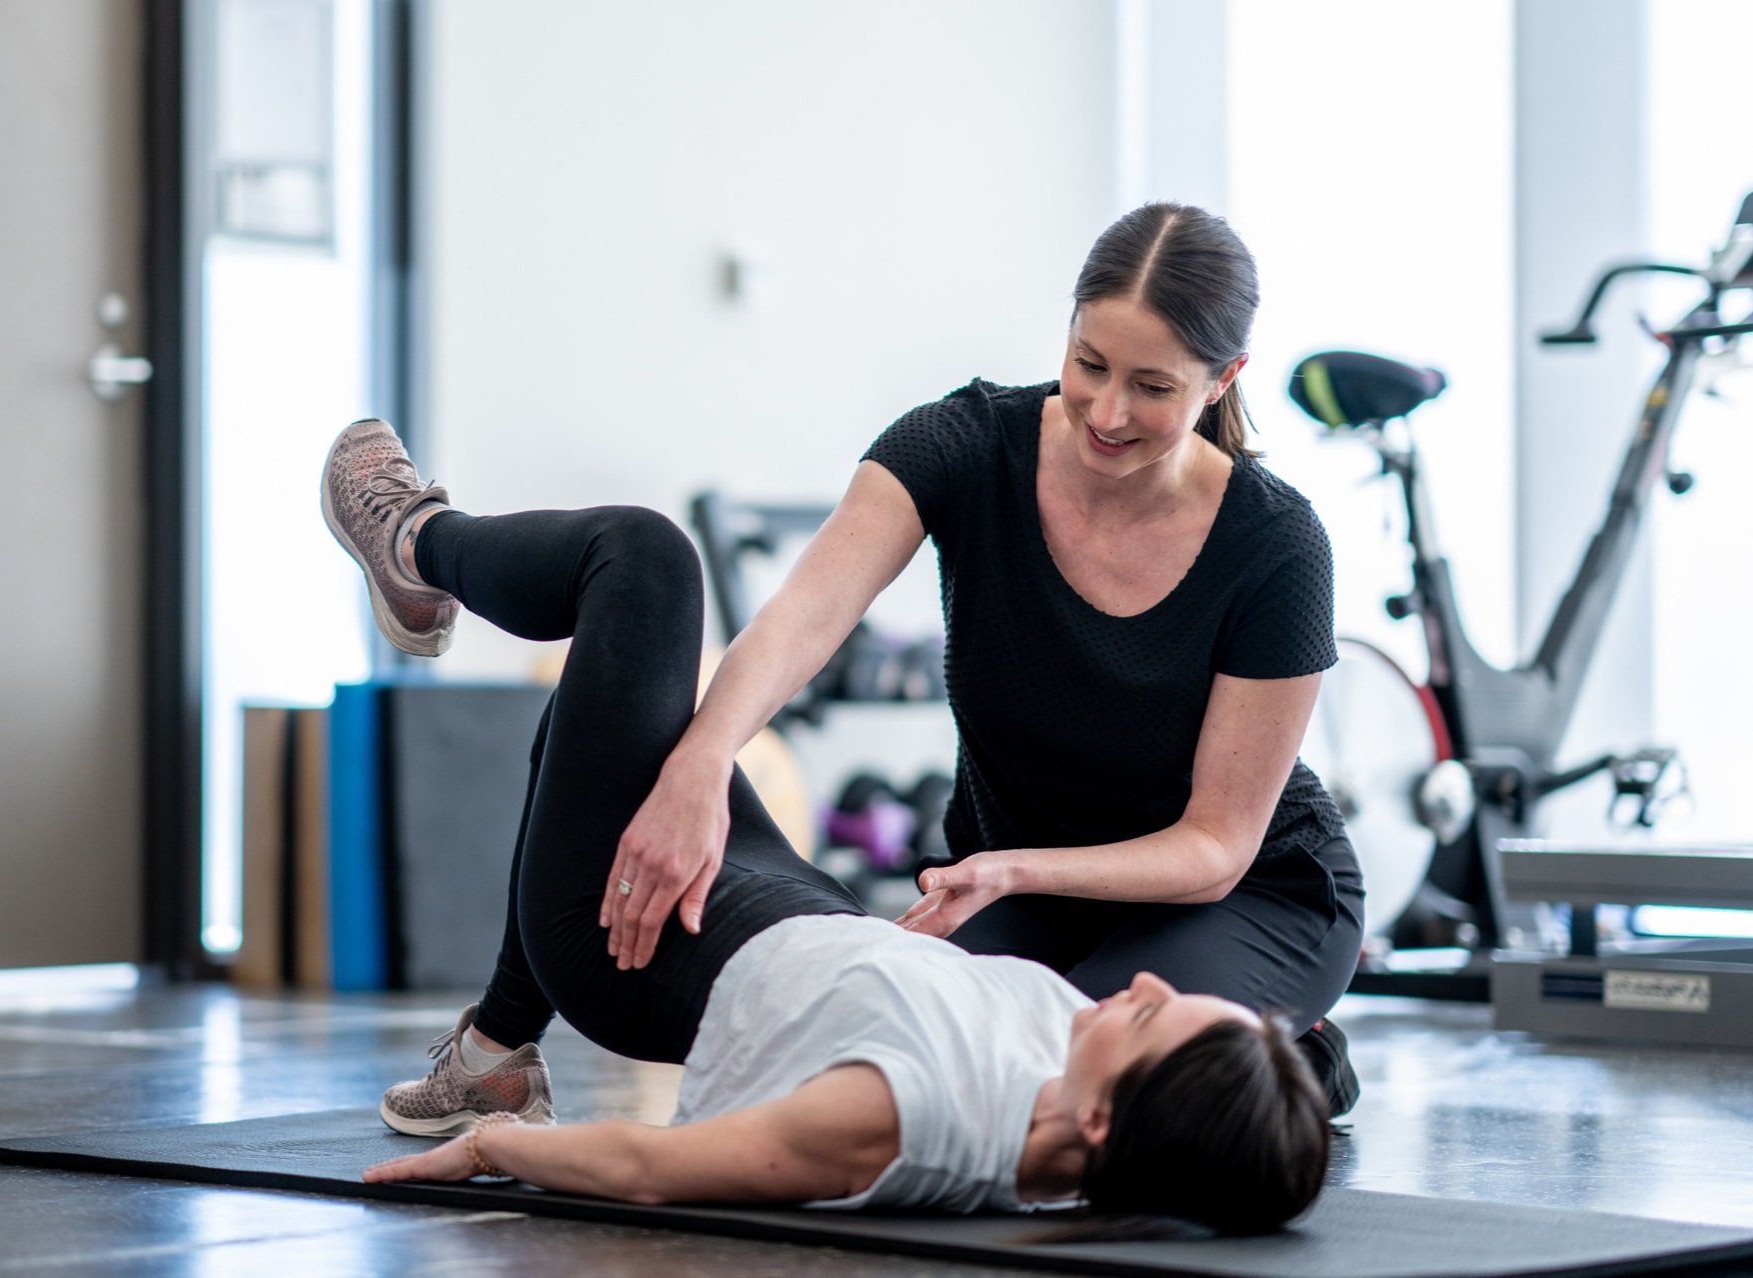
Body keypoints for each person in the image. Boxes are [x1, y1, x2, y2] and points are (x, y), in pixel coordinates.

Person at [320, 419, 1330, 1231]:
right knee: (618, 718)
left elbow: (648, 1166)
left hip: (634, 944)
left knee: (644, 562)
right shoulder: (1078, 1085)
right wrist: (1270, 1083)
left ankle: (413, 541)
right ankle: (493, 1055)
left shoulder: (906, 1119)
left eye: (1152, 1014)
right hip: (801, 906)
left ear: (1103, 1117)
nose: (1146, 984)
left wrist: (490, 1156)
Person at [597, 202, 1363, 1110]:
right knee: (886, 1057)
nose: (1108, 412)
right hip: (1030, 893)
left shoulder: (1277, 545)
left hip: (1240, 895)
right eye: (1089, 365)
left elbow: (1215, 847)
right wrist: (701, 758)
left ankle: (1287, 1050)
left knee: (1060, 1075)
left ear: (1223, 379)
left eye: (1153, 388)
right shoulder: (961, 443)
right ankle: (1243, 1044)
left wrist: (1014, 868)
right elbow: (808, 615)